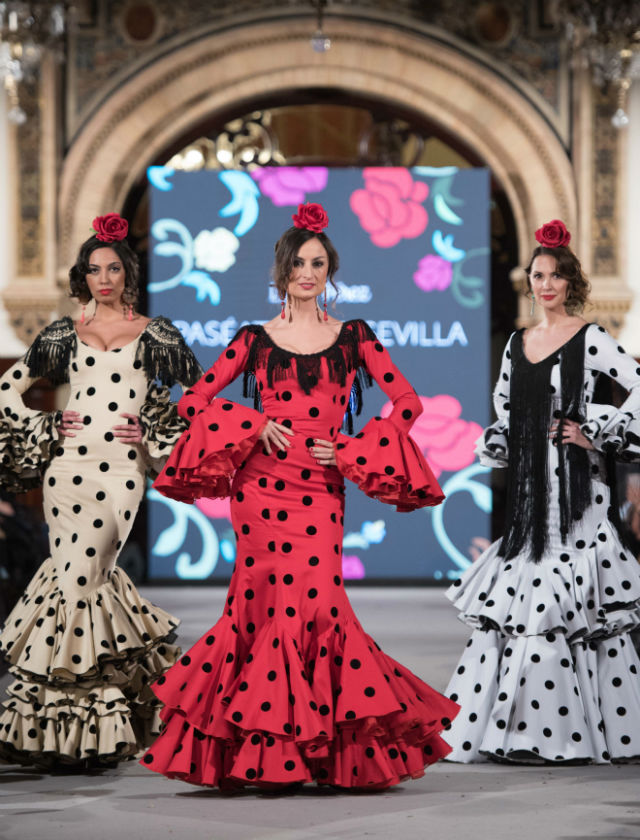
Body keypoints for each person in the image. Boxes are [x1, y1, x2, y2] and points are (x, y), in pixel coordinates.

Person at [140, 202, 459, 790]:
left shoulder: (354, 336)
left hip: (319, 492)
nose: (307, 273)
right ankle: (264, 755)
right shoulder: (254, 339)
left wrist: (353, 451)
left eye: (317, 263)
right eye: (297, 264)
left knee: (319, 609)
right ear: (280, 273)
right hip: (258, 491)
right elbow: (194, 401)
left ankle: (322, 753)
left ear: (328, 270)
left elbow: (407, 404)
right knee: (258, 611)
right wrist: (252, 424)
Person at [0, 213, 202, 767]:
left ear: (128, 274)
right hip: (67, 472)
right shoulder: (63, 334)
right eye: (94, 269)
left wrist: (156, 430)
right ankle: (74, 733)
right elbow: (7, 390)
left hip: (121, 473)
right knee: (77, 580)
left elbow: (202, 396)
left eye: (113, 268)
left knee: (88, 577)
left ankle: (71, 725)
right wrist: (47, 425)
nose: (104, 278)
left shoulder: (156, 334)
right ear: (82, 276)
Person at [445, 219, 640, 764]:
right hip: (533, 487)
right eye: (537, 275)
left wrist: (593, 430)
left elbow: (637, 384)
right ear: (527, 281)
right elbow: (504, 407)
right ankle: (522, 734)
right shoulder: (517, 342)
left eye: (555, 275)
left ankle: (581, 733)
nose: (545, 284)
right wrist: (519, 439)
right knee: (527, 596)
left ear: (570, 281)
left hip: (580, 490)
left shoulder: (591, 337)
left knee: (576, 603)